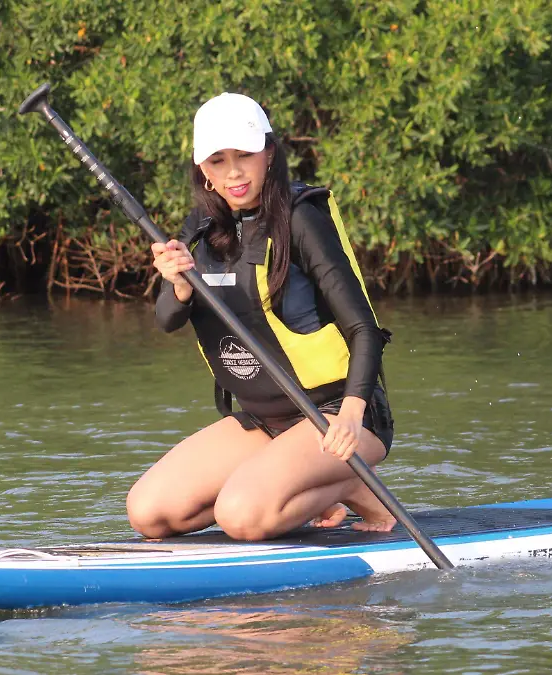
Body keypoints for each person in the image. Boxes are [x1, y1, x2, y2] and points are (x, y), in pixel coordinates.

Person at [126, 92, 396, 542]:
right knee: (149, 514)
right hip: (265, 421)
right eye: (218, 160)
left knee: (241, 517)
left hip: (336, 416)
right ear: (203, 171)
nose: (233, 171)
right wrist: (178, 284)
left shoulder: (302, 219)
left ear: (269, 155)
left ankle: (349, 482)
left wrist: (351, 414)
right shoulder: (199, 232)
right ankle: (295, 486)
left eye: (244, 156)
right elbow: (168, 319)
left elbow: (364, 328)